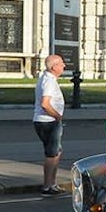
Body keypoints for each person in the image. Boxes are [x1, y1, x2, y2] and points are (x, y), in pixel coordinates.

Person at [33, 54, 67, 195]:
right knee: (51, 154)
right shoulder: (49, 81)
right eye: (61, 64)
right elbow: (45, 104)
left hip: (47, 121)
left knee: (56, 152)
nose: (64, 66)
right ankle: (47, 186)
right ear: (54, 67)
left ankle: (52, 183)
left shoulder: (48, 78)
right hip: (48, 121)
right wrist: (57, 116)